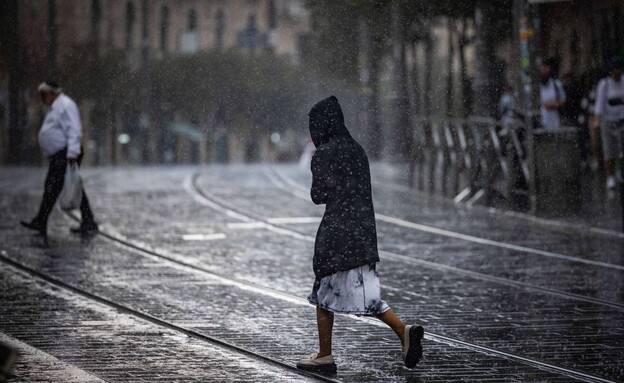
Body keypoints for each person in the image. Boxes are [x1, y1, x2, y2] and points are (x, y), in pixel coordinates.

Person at [296, 96, 423, 374]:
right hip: (363, 232)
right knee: (367, 295)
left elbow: (319, 196)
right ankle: (403, 331)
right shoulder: (357, 150)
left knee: (323, 291)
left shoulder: (324, 154)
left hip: (337, 233)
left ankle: (325, 356)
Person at [20, 81, 98, 238]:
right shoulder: (56, 107)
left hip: (66, 153)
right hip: (61, 154)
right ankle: (86, 220)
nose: (42, 98)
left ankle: (42, 221)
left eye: (44, 94)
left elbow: (74, 129)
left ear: (53, 93)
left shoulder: (65, 105)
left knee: (55, 186)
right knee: (62, 185)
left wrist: (72, 152)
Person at [539, 58, 566, 131]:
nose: (543, 71)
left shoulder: (556, 84)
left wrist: (554, 104)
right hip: (541, 121)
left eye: (545, 68)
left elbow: (563, 101)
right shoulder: (537, 85)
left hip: (555, 121)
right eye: (542, 68)